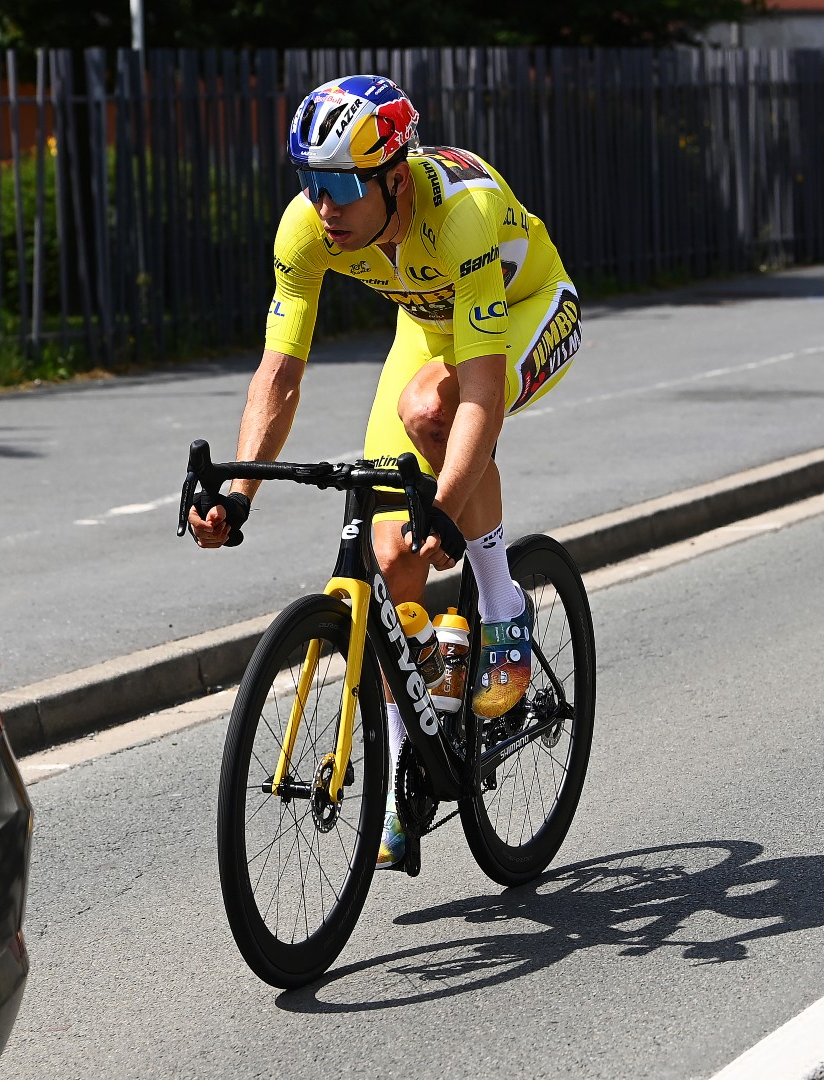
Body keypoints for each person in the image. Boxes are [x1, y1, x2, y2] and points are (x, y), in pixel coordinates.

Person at [186, 75, 581, 871]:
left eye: (340, 184)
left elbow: (477, 397)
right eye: (309, 181)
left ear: (394, 177)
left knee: (431, 413)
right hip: (432, 329)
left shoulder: (459, 216)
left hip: (531, 307)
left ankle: (503, 607)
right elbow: (279, 373)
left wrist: (447, 504)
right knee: (391, 555)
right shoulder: (307, 229)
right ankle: (411, 756)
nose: (322, 203)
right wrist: (239, 491)